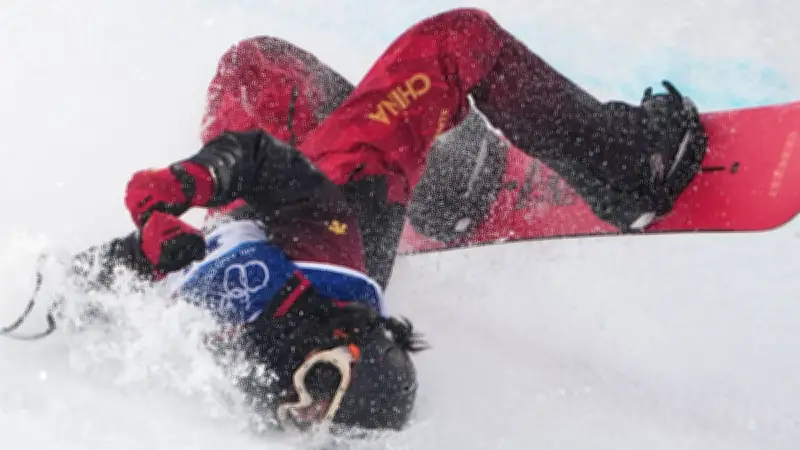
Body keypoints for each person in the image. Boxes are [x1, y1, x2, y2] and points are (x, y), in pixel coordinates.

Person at [56, 7, 707, 437]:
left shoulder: (201, 329)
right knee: (458, 42)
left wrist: (75, 286)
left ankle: (446, 179)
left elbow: (111, 276)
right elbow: (255, 164)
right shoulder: (303, 283)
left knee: (256, 69)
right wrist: (187, 182)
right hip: (330, 201)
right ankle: (630, 171)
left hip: (264, 218)